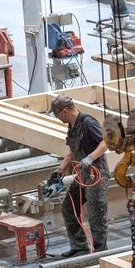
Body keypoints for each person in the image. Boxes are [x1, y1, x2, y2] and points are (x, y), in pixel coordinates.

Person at [50, 95, 108, 257]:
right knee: (69, 207)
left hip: (96, 174)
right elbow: (71, 152)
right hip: (82, 175)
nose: (57, 117)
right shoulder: (72, 125)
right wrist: (60, 170)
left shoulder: (88, 122)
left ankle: (100, 253)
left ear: (65, 110)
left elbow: (105, 142)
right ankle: (79, 246)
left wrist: (90, 158)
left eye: (57, 114)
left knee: (96, 215)